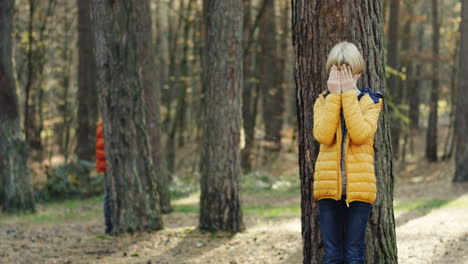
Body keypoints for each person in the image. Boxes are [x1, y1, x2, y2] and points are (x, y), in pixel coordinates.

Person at [312, 41, 384, 264]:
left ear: (358, 73)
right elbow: (323, 136)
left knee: (354, 253)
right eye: (337, 71)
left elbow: (360, 134)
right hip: (327, 188)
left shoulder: (371, 101)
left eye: (347, 72)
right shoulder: (323, 101)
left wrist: (348, 96)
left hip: (360, 189)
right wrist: (335, 96)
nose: (342, 78)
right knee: (332, 255)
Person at [96, 120, 112, 234]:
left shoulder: (103, 123)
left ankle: (109, 225)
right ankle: (109, 225)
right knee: (109, 195)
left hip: (106, 164)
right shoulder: (107, 123)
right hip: (108, 165)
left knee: (108, 195)